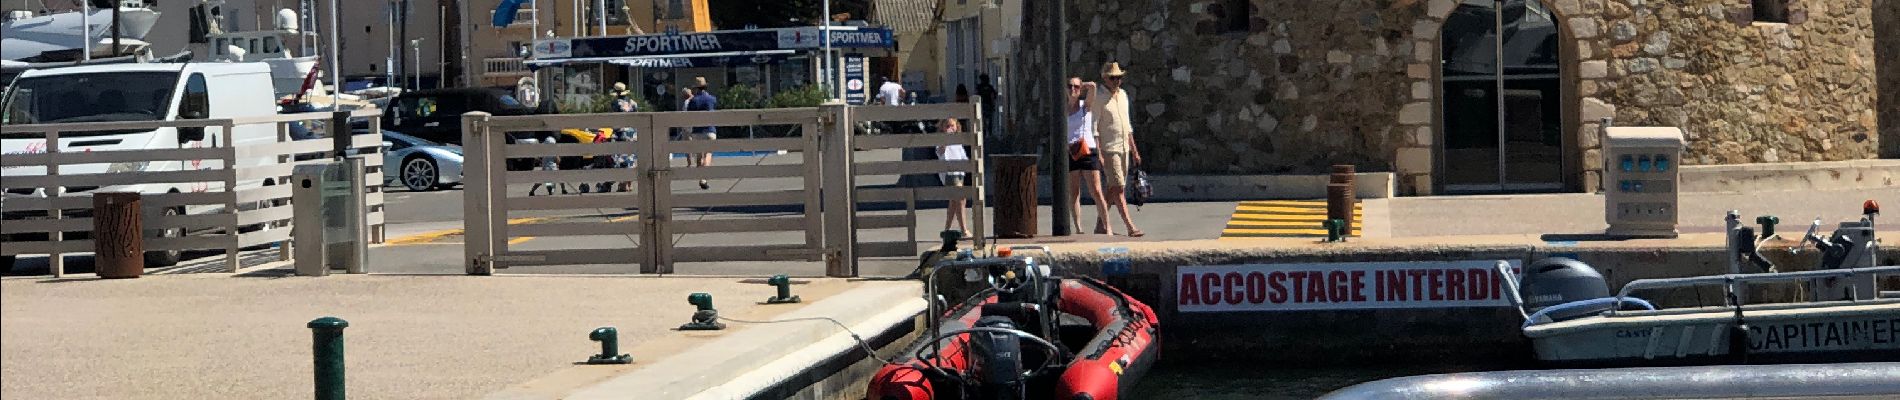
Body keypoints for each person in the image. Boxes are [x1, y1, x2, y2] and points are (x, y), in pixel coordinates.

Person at [1081, 62, 1144, 237]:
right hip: (1109, 149)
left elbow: (1127, 125)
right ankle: (1130, 226)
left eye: (1119, 78)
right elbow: (1093, 127)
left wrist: (1134, 150)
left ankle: (1101, 224)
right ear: (1105, 78)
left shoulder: (1123, 95)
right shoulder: (1099, 98)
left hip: (1123, 146)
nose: (1116, 81)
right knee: (1118, 187)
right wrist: (1098, 152)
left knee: (1112, 188)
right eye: (1112, 78)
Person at [1066, 77, 1111, 235]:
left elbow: (1093, 87)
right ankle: (1078, 228)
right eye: (1070, 86)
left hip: (1087, 150)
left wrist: (1081, 86)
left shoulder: (1084, 106)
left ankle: (1107, 226)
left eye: (1076, 87)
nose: (1073, 89)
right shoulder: (1063, 110)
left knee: (1096, 190)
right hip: (1071, 151)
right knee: (1074, 191)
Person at [684, 77, 719, 190]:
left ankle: (700, 177)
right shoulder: (712, 99)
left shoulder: (693, 101)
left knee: (699, 155)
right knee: (708, 153)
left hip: (697, 131)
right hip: (710, 129)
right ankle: (704, 178)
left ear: (696, 88)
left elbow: (689, 115)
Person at [937, 118, 970, 237]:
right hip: (950, 174)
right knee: (961, 199)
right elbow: (940, 152)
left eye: (952, 126)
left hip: (959, 173)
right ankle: (964, 230)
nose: (950, 128)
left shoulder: (958, 143)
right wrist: (946, 140)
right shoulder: (941, 141)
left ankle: (947, 230)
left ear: (957, 127)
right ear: (942, 128)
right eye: (947, 126)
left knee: (954, 202)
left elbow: (964, 158)